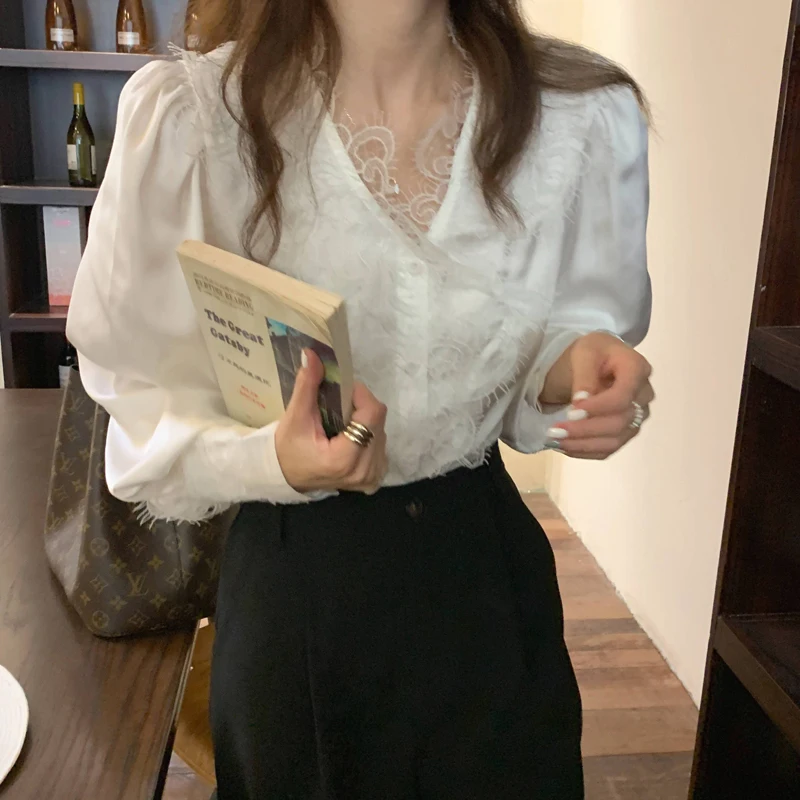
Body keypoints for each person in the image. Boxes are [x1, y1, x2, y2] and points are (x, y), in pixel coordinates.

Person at [67, 0, 654, 797]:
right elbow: (142, 397)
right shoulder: (196, 122)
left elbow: (552, 339)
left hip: (483, 577)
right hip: (298, 588)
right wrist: (271, 459)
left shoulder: (574, 115)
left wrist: (577, 367)